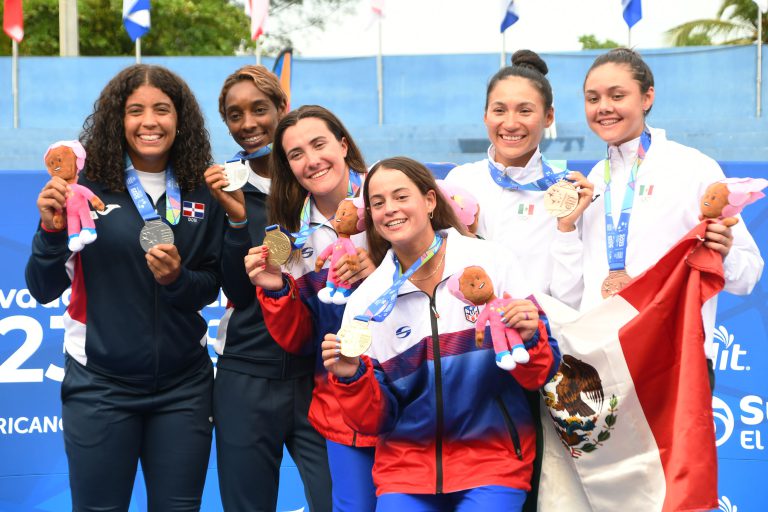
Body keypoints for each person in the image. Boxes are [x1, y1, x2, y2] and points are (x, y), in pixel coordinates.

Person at [26, 64, 223, 511]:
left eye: (162, 109)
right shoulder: (82, 186)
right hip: (100, 385)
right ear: (118, 118)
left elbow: (209, 286)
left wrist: (177, 279)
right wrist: (50, 232)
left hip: (184, 388)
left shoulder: (200, 190)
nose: (149, 121)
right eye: (135, 110)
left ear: (180, 119)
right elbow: (41, 287)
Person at [320, 157, 560, 512]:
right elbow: (374, 421)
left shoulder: (491, 262)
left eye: (401, 196)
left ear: (430, 201)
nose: (390, 210)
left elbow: (540, 372)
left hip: (491, 461)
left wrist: (529, 336)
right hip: (405, 470)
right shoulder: (366, 302)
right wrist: (352, 378)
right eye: (378, 202)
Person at [550, 47, 763, 378]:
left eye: (617, 95)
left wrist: (725, 250)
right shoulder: (592, 182)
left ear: (647, 97)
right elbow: (570, 296)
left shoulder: (693, 168)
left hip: (674, 366)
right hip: (604, 369)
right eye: (592, 99)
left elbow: (747, 276)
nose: (603, 107)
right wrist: (566, 228)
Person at [204, 66, 332, 511]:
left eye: (260, 109)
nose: (249, 124)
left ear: (283, 109)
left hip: (319, 377)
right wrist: (238, 220)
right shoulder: (222, 188)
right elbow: (237, 293)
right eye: (235, 116)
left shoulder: (316, 181)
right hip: (247, 378)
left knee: (340, 501)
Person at [243, 105, 378, 511]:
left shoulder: (389, 196)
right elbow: (300, 340)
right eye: (296, 154)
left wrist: (386, 270)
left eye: (319, 144)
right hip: (345, 402)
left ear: (342, 143)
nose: (311, 160)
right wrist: (277, 291)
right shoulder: (291, 235)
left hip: (416, 392)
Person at [445, 49, 592, 305]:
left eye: (525, 111)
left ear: (549, 117)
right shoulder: (460, 182)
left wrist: (566, 227)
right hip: (469, 338)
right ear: (485, 116)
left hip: (537, 336)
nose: (511, 123)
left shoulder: (567, 192)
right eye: (499, 110)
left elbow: (570, 300)